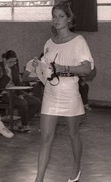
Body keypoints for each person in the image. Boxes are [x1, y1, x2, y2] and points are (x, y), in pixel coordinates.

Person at [33, 1, 94, 182]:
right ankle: (39, 179)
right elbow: (47, 69)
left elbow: (87, 69)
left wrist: (63, 67)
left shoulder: (78, 40)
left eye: (61, 16)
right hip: (50, 94)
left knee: (73, 134)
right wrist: (39, 67)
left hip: (69, 93)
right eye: (54, 16)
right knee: (45, 138)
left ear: (69, 19)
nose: (57, 20)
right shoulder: (48, 43)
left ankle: (76, 167)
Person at [0, 50, 41, 133]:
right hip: (3, 93)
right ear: (4, 59)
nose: (12, 63)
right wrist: (7, 74)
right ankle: (25, 125)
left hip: (14, 91)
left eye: (14, 61)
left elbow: (17, 82)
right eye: (10, 61)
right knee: (22, 103)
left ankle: (21, 121)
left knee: (36, 102)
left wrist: (21, 93)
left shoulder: (14, 67)